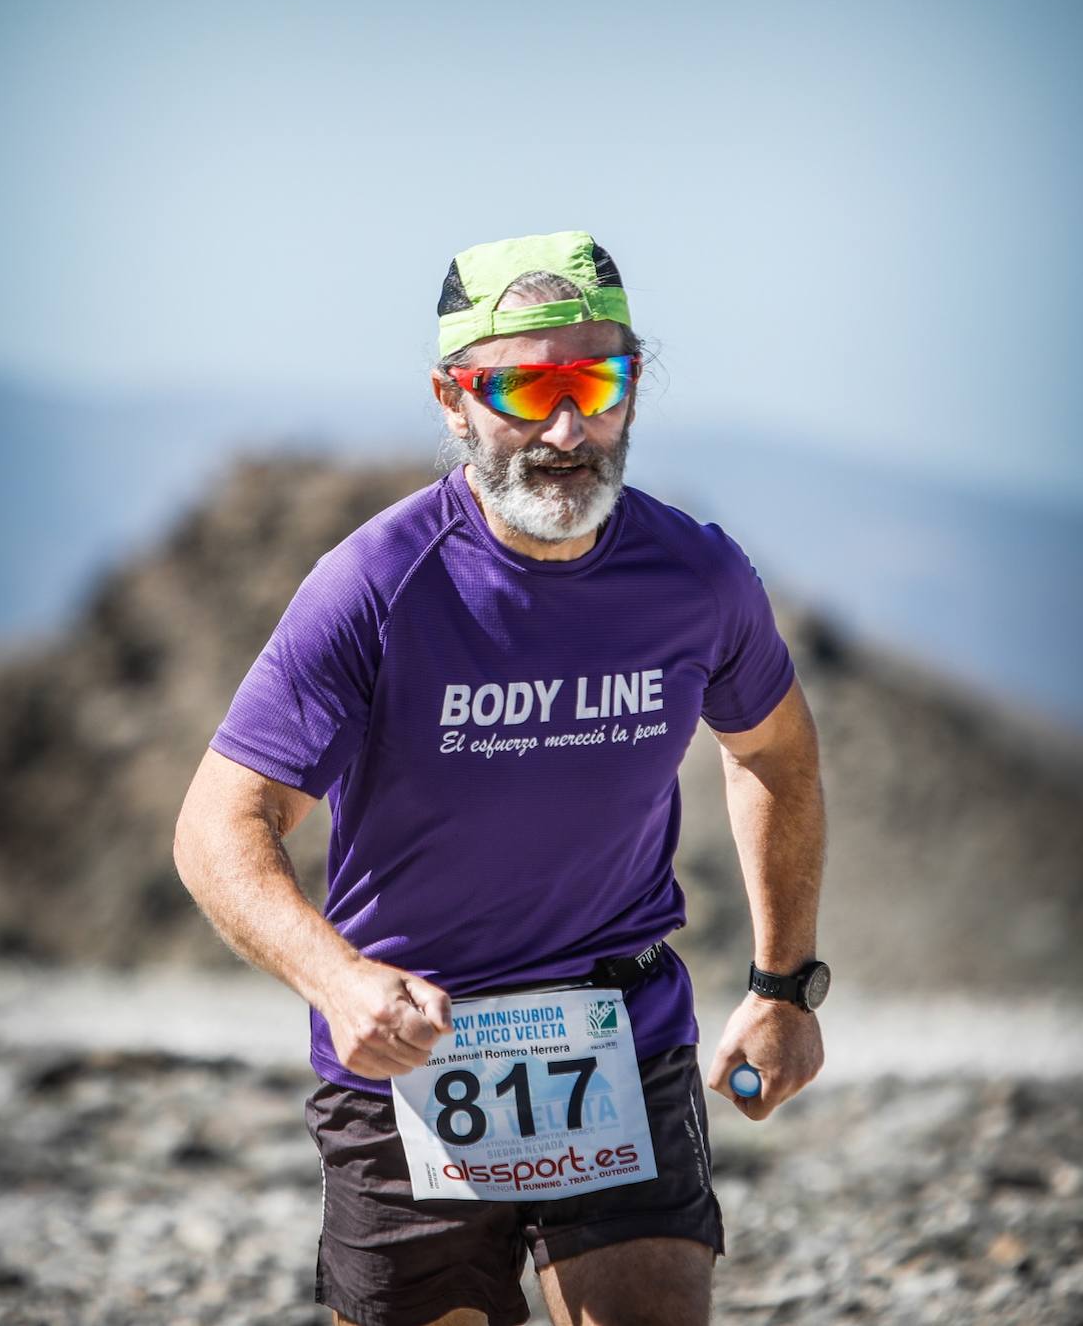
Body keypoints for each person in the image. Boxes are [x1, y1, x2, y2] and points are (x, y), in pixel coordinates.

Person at [174, 230, 827, 1326]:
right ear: (453, 400)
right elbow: (217, 823)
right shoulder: (375, 585)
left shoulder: (697, 575)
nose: (567, 428)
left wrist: (781, 986)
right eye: (525, 386)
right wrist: (339, 984)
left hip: (617, 1031)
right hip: (408, 1051)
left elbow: (774, 754)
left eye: (598, 381)